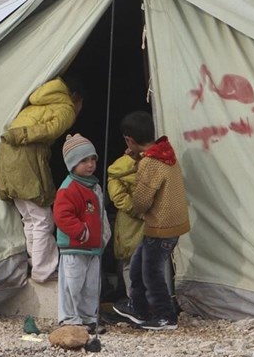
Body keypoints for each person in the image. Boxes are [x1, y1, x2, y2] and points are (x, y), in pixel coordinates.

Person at [0, 75, 83, 283]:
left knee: (30, 218)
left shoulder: (38, 101)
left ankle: (36, 264)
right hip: (25, 158)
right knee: (43, 218)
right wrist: (21, 135)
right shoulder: (66, 107)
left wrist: (16, 135)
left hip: (5, 158)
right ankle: (45, 270)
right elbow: (51, 130)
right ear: (76, 97)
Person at [113, 111, 190, 330]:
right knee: (138, 263)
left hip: (160, 226)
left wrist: (134, 207)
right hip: (171, 223)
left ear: (129, 140)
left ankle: (165, 316)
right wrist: (138, 157)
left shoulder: (150, 164)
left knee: (151, 272)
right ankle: (138, 306)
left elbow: (142, 199)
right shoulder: (165, 153)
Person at [53, 134, 110, 330]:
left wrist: (102, 236)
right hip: (74, 247)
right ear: (72, 164)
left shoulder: (93, 186)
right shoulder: (68, 188)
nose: (90, 164)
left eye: (93, 159)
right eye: (83, 160)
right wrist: (80, 231)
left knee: (91, 286)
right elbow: (62, 216)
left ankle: (88, 318)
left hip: (93, 248)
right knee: (72, 285)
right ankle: (70, 319)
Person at [107, 150, 143, 297]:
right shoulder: (157, 163)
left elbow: (118, 196)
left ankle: (135, 302)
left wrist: (137, 210)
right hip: (140, 221)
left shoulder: (118, 167)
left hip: (128, 221)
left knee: (129, 264)